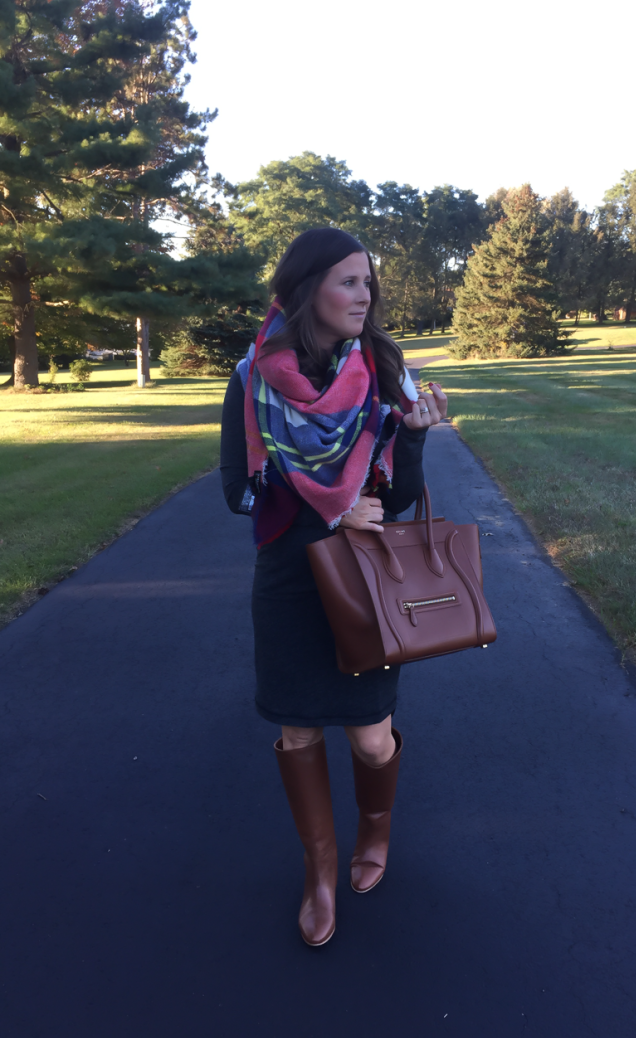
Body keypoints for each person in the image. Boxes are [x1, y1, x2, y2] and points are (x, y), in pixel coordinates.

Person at [220, 228, 447, 946]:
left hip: (364, 576)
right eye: (348, 281)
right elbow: (238, 492)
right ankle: (320, 866)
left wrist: (410, 435)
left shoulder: (383, 366)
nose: (365, 293)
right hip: (290, 577)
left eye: (367, 281)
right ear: (307, 288)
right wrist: (327, 506)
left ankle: (372, 836)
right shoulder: (253, 376)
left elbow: (403, 493)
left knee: (373, 738)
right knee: (298, 728)